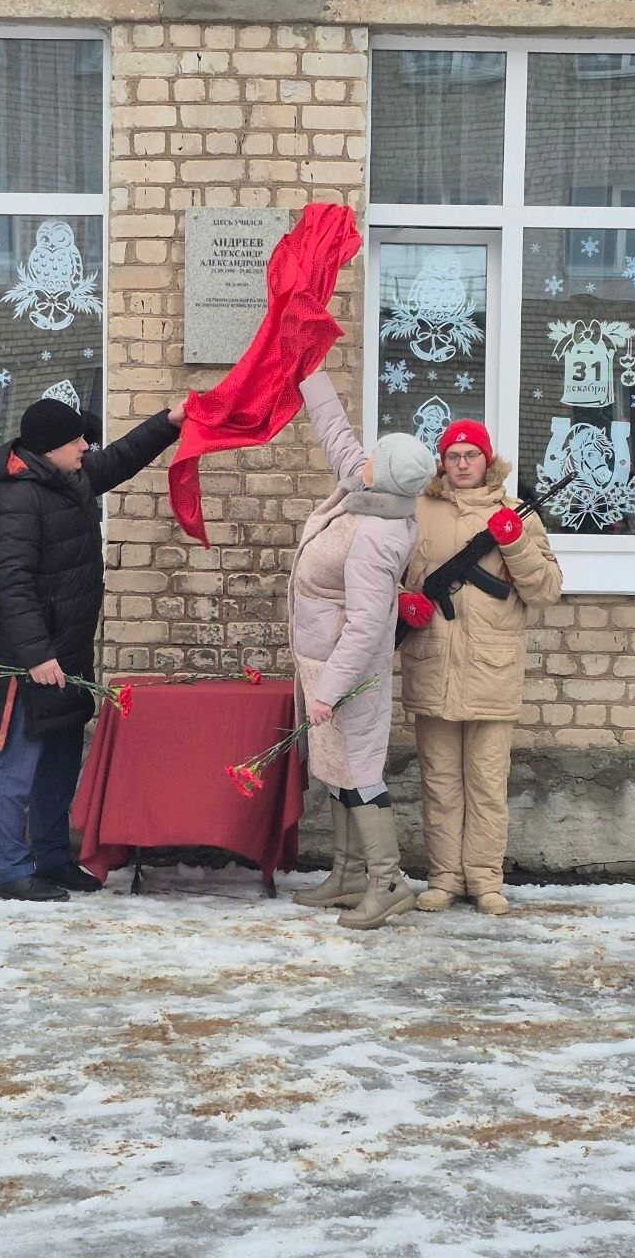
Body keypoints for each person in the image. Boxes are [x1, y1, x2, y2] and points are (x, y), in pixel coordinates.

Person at [0, 394, 185, 903]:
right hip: (27, 662)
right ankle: (12, 871)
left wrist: (169, 421)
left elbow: (119, 457)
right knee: (18, 768)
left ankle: (51, 859)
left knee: (59, 764)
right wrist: (35, 656)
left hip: (66, 656)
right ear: (50, 449)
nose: (86, 447)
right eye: (76, 442)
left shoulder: (68, 477)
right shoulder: (16, 499)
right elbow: (11, 583)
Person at [397, 419, 563, 916]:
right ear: (442, 463)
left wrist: (513, 543)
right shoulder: (417, 512)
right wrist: (403, 602)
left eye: (471, 455)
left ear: (487, 462)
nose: (463, 464)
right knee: (440, 782)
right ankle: (444, 877)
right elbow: (386, 573)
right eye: (454, 456)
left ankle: (486, 880)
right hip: (432, 665)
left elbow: (546, 592)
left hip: (492, 671)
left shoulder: (516, 514)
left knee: (488, 784)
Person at [288, 370, 434, 930]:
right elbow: (338, 437)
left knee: (362, 770)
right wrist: (309, 371)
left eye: (376, 455)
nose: (364, 456)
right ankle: (348, 874)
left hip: (351, 673)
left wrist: (328, 691)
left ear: (387, 476)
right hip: (324, 662)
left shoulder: (379, 535)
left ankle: (387, 880)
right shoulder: (369, 492)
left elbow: (370, 626)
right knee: (335, 767)